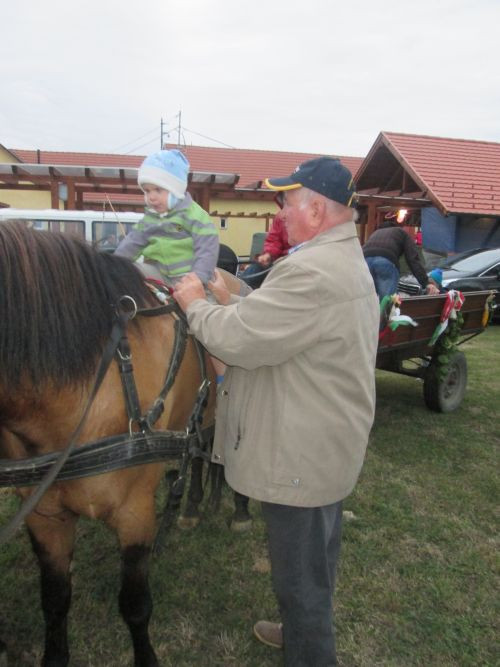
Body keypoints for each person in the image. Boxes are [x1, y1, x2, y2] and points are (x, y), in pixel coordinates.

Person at [173, 156, 379, 666]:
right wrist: (235, 291)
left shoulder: (311, 272)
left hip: (300, 456)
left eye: (286, 201)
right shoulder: (336, 259)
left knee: (300, 577)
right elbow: (280, 317)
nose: (279, 212)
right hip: (325, 443)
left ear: (315, 209)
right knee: (317, 560)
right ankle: (300, 631)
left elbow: (238, 339)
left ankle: (310, 650)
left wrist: (196, 302)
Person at [114, 149, 219, 286]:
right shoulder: (150, 219)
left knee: (201, 302)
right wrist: (114, 265)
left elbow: (207, 248)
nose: (151, 197)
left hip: (188, 276)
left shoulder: (194, 215)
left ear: (176, 190)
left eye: (158, 190)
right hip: (158, 273)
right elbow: (132, 242)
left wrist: (199, 277)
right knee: (130, 274)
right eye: (147, 191)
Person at [362, 220, 440, 299]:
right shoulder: (401, 232)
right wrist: (426, 282)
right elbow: (413, 260)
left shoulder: (375, 233)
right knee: (388, 302)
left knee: (369, 300)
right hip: (385, 261)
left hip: (364, 261)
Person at [241, 197, 291, 288]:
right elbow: (273, 239)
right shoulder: (280, 217)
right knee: (250, 275)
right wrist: (268, 254)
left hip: (291, 261)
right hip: (276, 260)